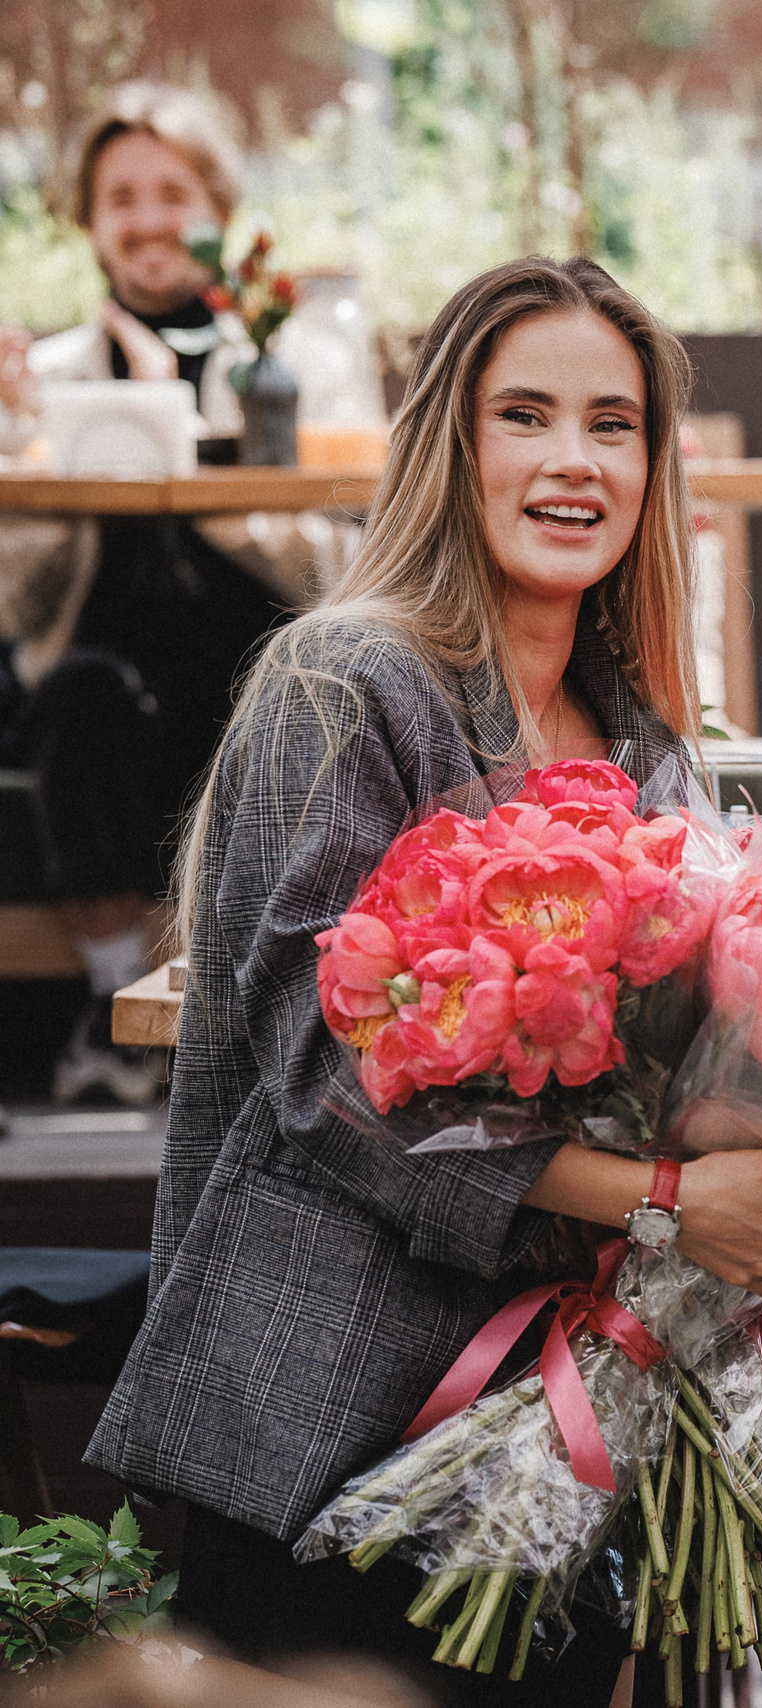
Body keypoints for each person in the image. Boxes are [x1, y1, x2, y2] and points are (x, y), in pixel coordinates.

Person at [82, 257, 762, 1704]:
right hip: (337, 1422)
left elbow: (664, 1087)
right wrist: (666, 1202)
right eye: (525, 415)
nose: (574, 460)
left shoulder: (648, 741)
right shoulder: (340, 685)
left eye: (614, 423)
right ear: (450, 448)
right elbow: (323, 1083)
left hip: (577, 1437)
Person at [0, 82, 310, 1105]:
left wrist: (177, 423)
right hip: (106, 705)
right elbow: (18, 610)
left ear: (218, 208)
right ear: (90, 221)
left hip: (249, 680)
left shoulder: (283, 364)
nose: (146, 218)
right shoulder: (45, 376)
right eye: (121, 195)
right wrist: (24, 447)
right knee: (78, 690)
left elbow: (338, 564)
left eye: (172, 191)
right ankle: (112, 1014)